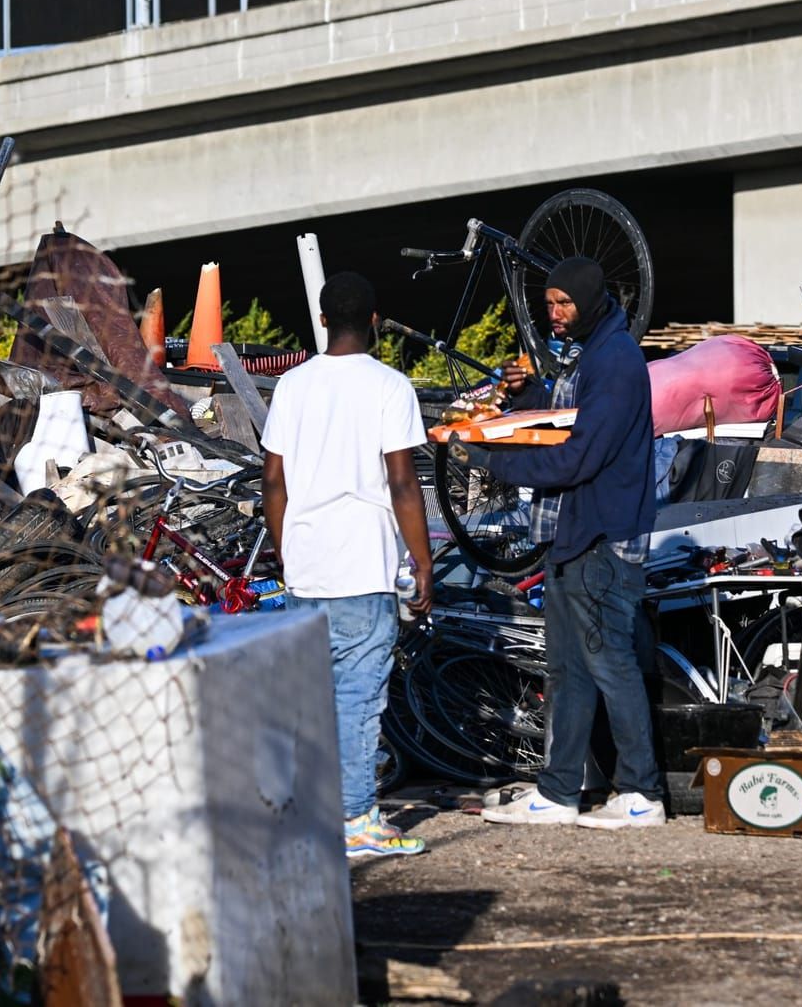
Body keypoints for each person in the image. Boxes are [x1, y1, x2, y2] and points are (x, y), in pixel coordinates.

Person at [460, 257, 663, 829]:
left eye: (564, 302)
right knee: (568, 669)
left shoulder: (617, 361)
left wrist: (496, 458)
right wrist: (528, 402)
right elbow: (563, 426)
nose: (555, 312)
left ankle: (641, 791)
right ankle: (558, 792)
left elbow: (581, 455)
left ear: (591, 299)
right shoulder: (588, 355)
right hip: (571, 535)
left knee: (609, 664)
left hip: (601, 536)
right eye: (549, 302)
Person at [261, 272, 435, 858]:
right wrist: (423, 562)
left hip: (307, 569)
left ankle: (314, 814)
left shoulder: (290, 386)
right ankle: (357, 820)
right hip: (362, 566)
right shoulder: (390, 386)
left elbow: (273, 480)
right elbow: (403, 482)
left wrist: (289, 552)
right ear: (376, 322)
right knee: (358, 700)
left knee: (311, 699)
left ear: (323, 318)